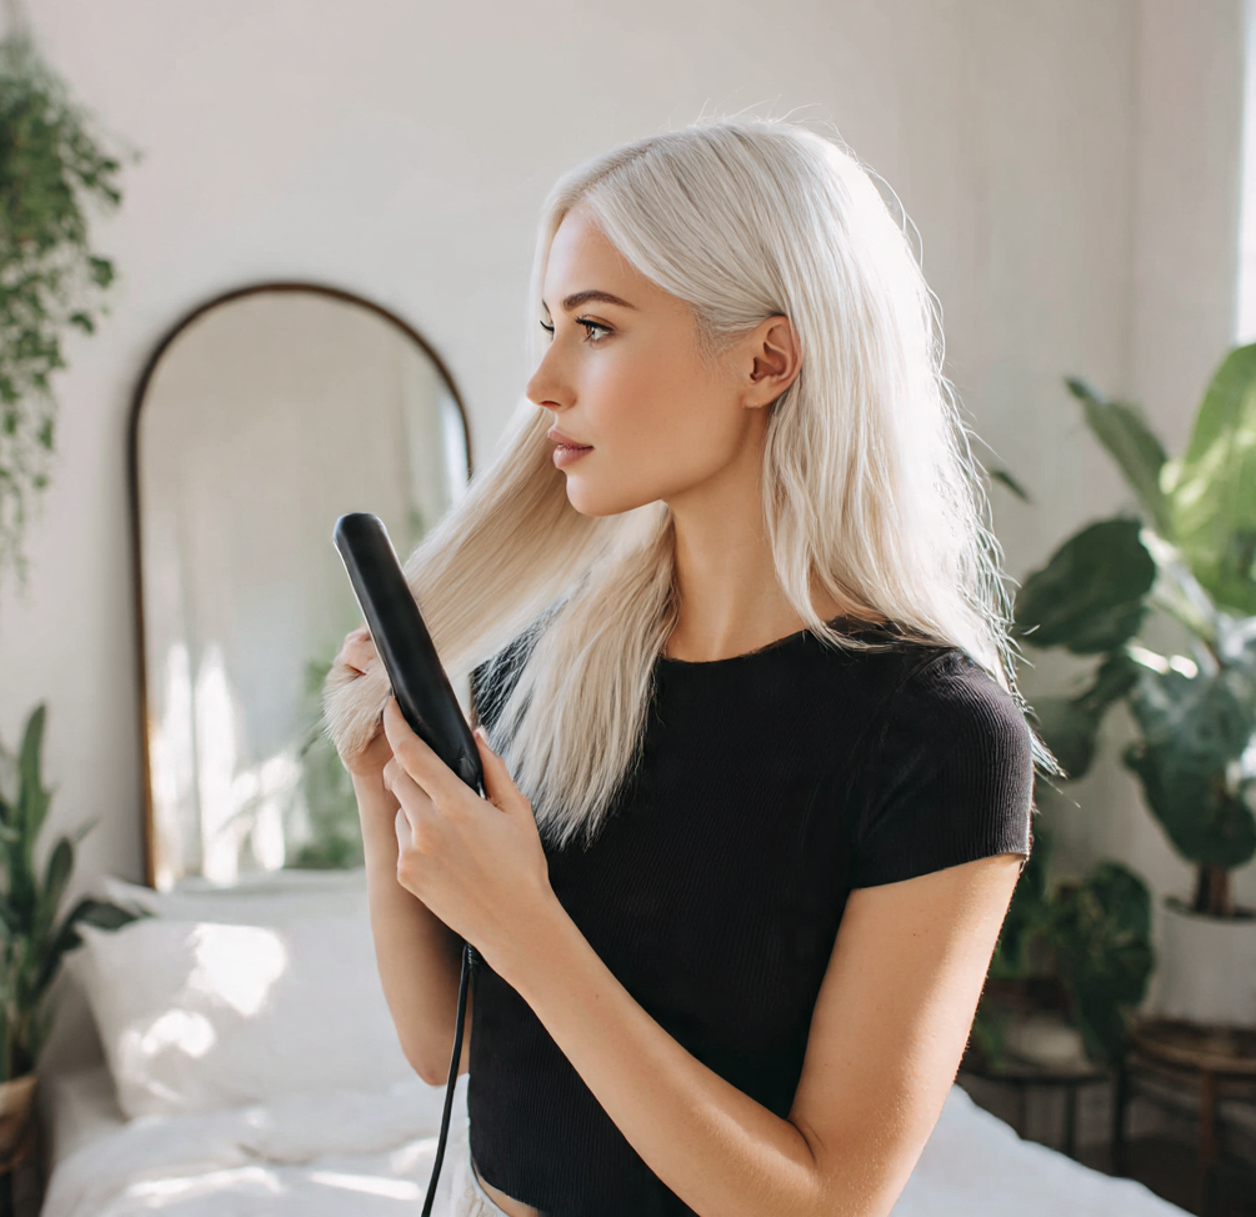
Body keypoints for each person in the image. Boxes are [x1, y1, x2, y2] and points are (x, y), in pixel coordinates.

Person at [323, 118, 1053, 1217]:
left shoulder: (936, 736)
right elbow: (448, 1047)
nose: (541, 382)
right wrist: (386, 787)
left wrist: (526, 920)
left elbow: (823, 1199)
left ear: (765, 358)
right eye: (549, 327)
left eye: (595, 328)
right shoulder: (538, 665)